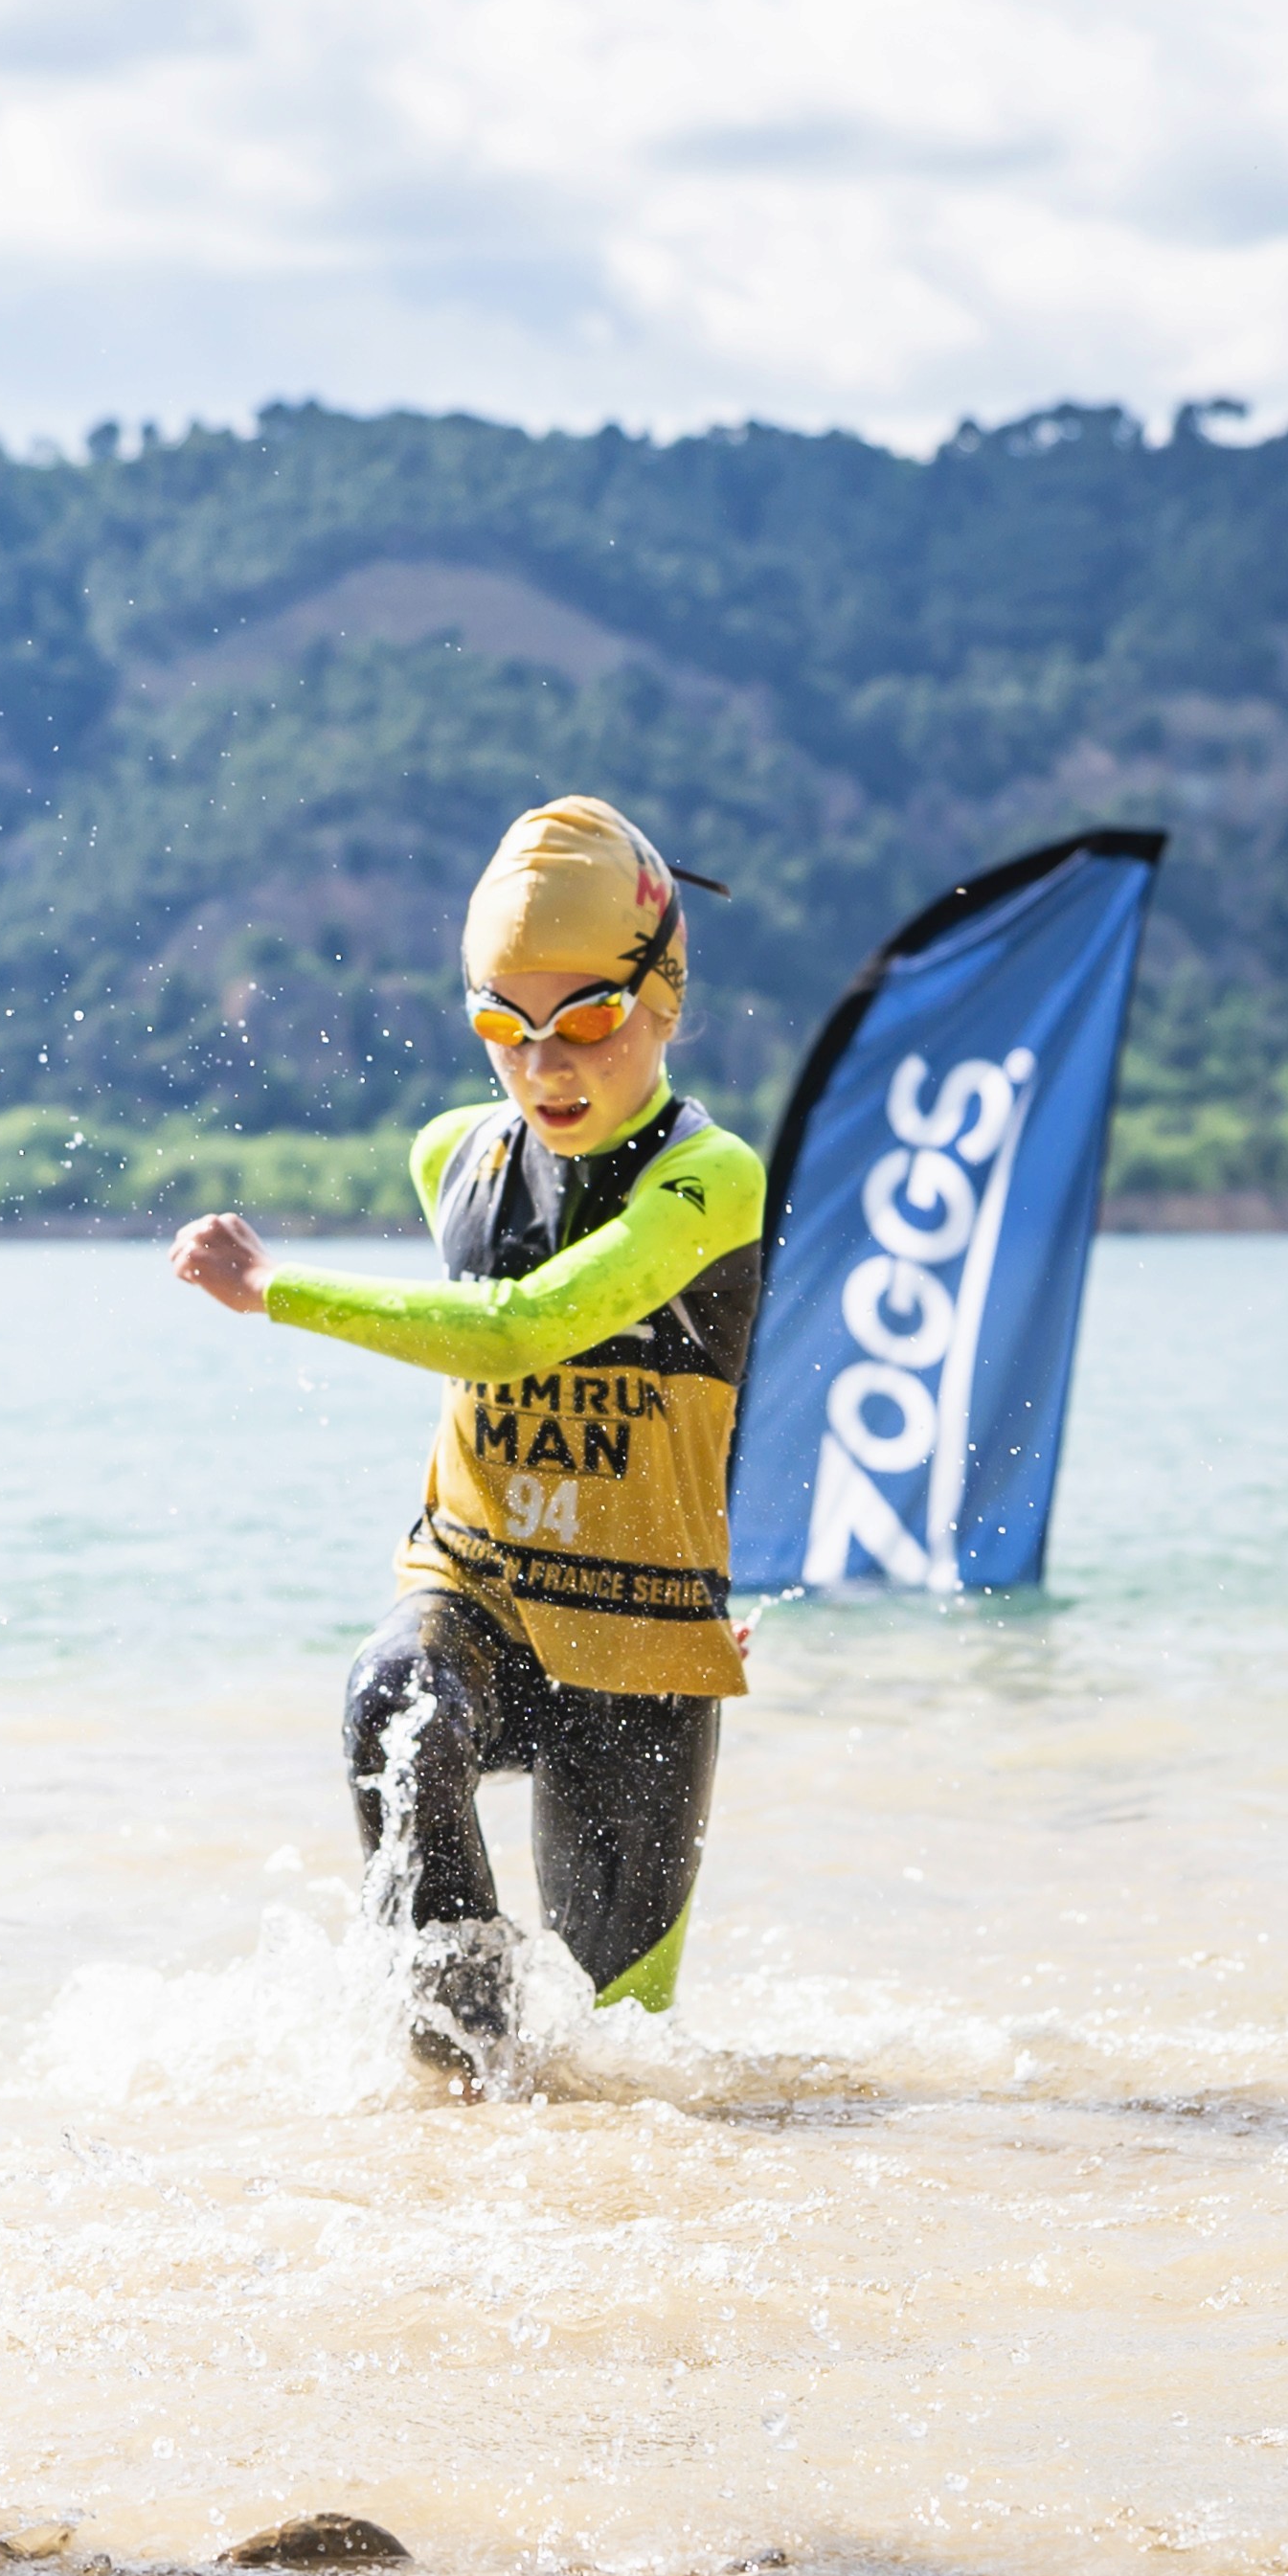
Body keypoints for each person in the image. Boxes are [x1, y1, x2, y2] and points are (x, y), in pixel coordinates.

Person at [169, 800, 764, 2079]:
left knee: (621, 2073)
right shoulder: (451, 1157)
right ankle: (451, 2071)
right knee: (392, 1701)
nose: (544, 1065)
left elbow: (517, 1329)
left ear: (664, 998)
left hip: (641, 1635)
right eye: (505, 1023)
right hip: (475, 1591)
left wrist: (278, 1287)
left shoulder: (711, 1182)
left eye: (586, 1021)